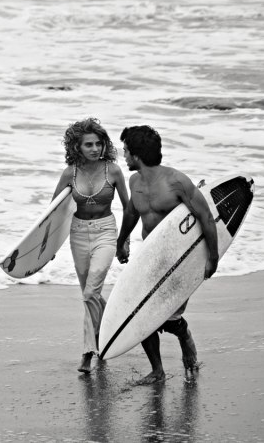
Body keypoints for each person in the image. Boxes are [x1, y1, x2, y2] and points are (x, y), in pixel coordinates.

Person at [115, 125, 220, 383]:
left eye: (126, 151)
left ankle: (183, 333)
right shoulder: (134, 181)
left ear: (137, 155)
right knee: (141, 314)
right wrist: (121, 242)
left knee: (166, 318)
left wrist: (213, 258)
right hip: (149, 257)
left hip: (178, 260)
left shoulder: (176, 182)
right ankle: (158, 371)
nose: (124, 156)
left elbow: (206, 218)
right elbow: (131, 212)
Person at [51, 118, 129, 373]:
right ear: (77, 147)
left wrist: (123, 242)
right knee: (90, 293)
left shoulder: (113, 171)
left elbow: (129, 209)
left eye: (99, 143)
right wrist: (46, 250)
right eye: (89, 145)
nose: (95, 149)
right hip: (78, 234)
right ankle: (109, 326)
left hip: (106, 231)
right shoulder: (70, 173)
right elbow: (52, 214)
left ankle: (88, 351)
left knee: (90, 291)